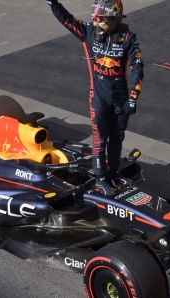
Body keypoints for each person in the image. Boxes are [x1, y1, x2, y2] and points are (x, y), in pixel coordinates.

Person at [46, 0, 144, 196]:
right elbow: (66, 19)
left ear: (114, 16)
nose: (96, 20)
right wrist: (54, 3)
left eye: (101, 17)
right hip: (98, 96)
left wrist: (133, 96)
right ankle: (100, 179)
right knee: (100, 139)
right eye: (95, 16)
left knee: (117, 138)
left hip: (121, 98)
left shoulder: (128, 37)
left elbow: (137, 69)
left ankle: (114, 173)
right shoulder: (88, 32)